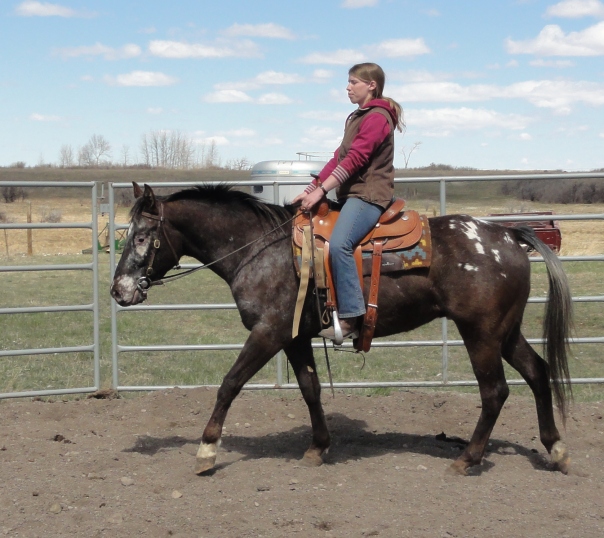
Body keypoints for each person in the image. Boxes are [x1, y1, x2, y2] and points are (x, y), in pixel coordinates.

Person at [294, 62, 404, 341]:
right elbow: (338, 157)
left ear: (372, 86)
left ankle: (352, 317)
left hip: (368, 195)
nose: (347, 87)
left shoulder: (378, 117)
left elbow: (357, 159)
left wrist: (322, 192)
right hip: (352, 194)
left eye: (354, 82)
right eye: (348, 82)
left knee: (340, 244)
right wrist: (312, 188)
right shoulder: (358, 116)